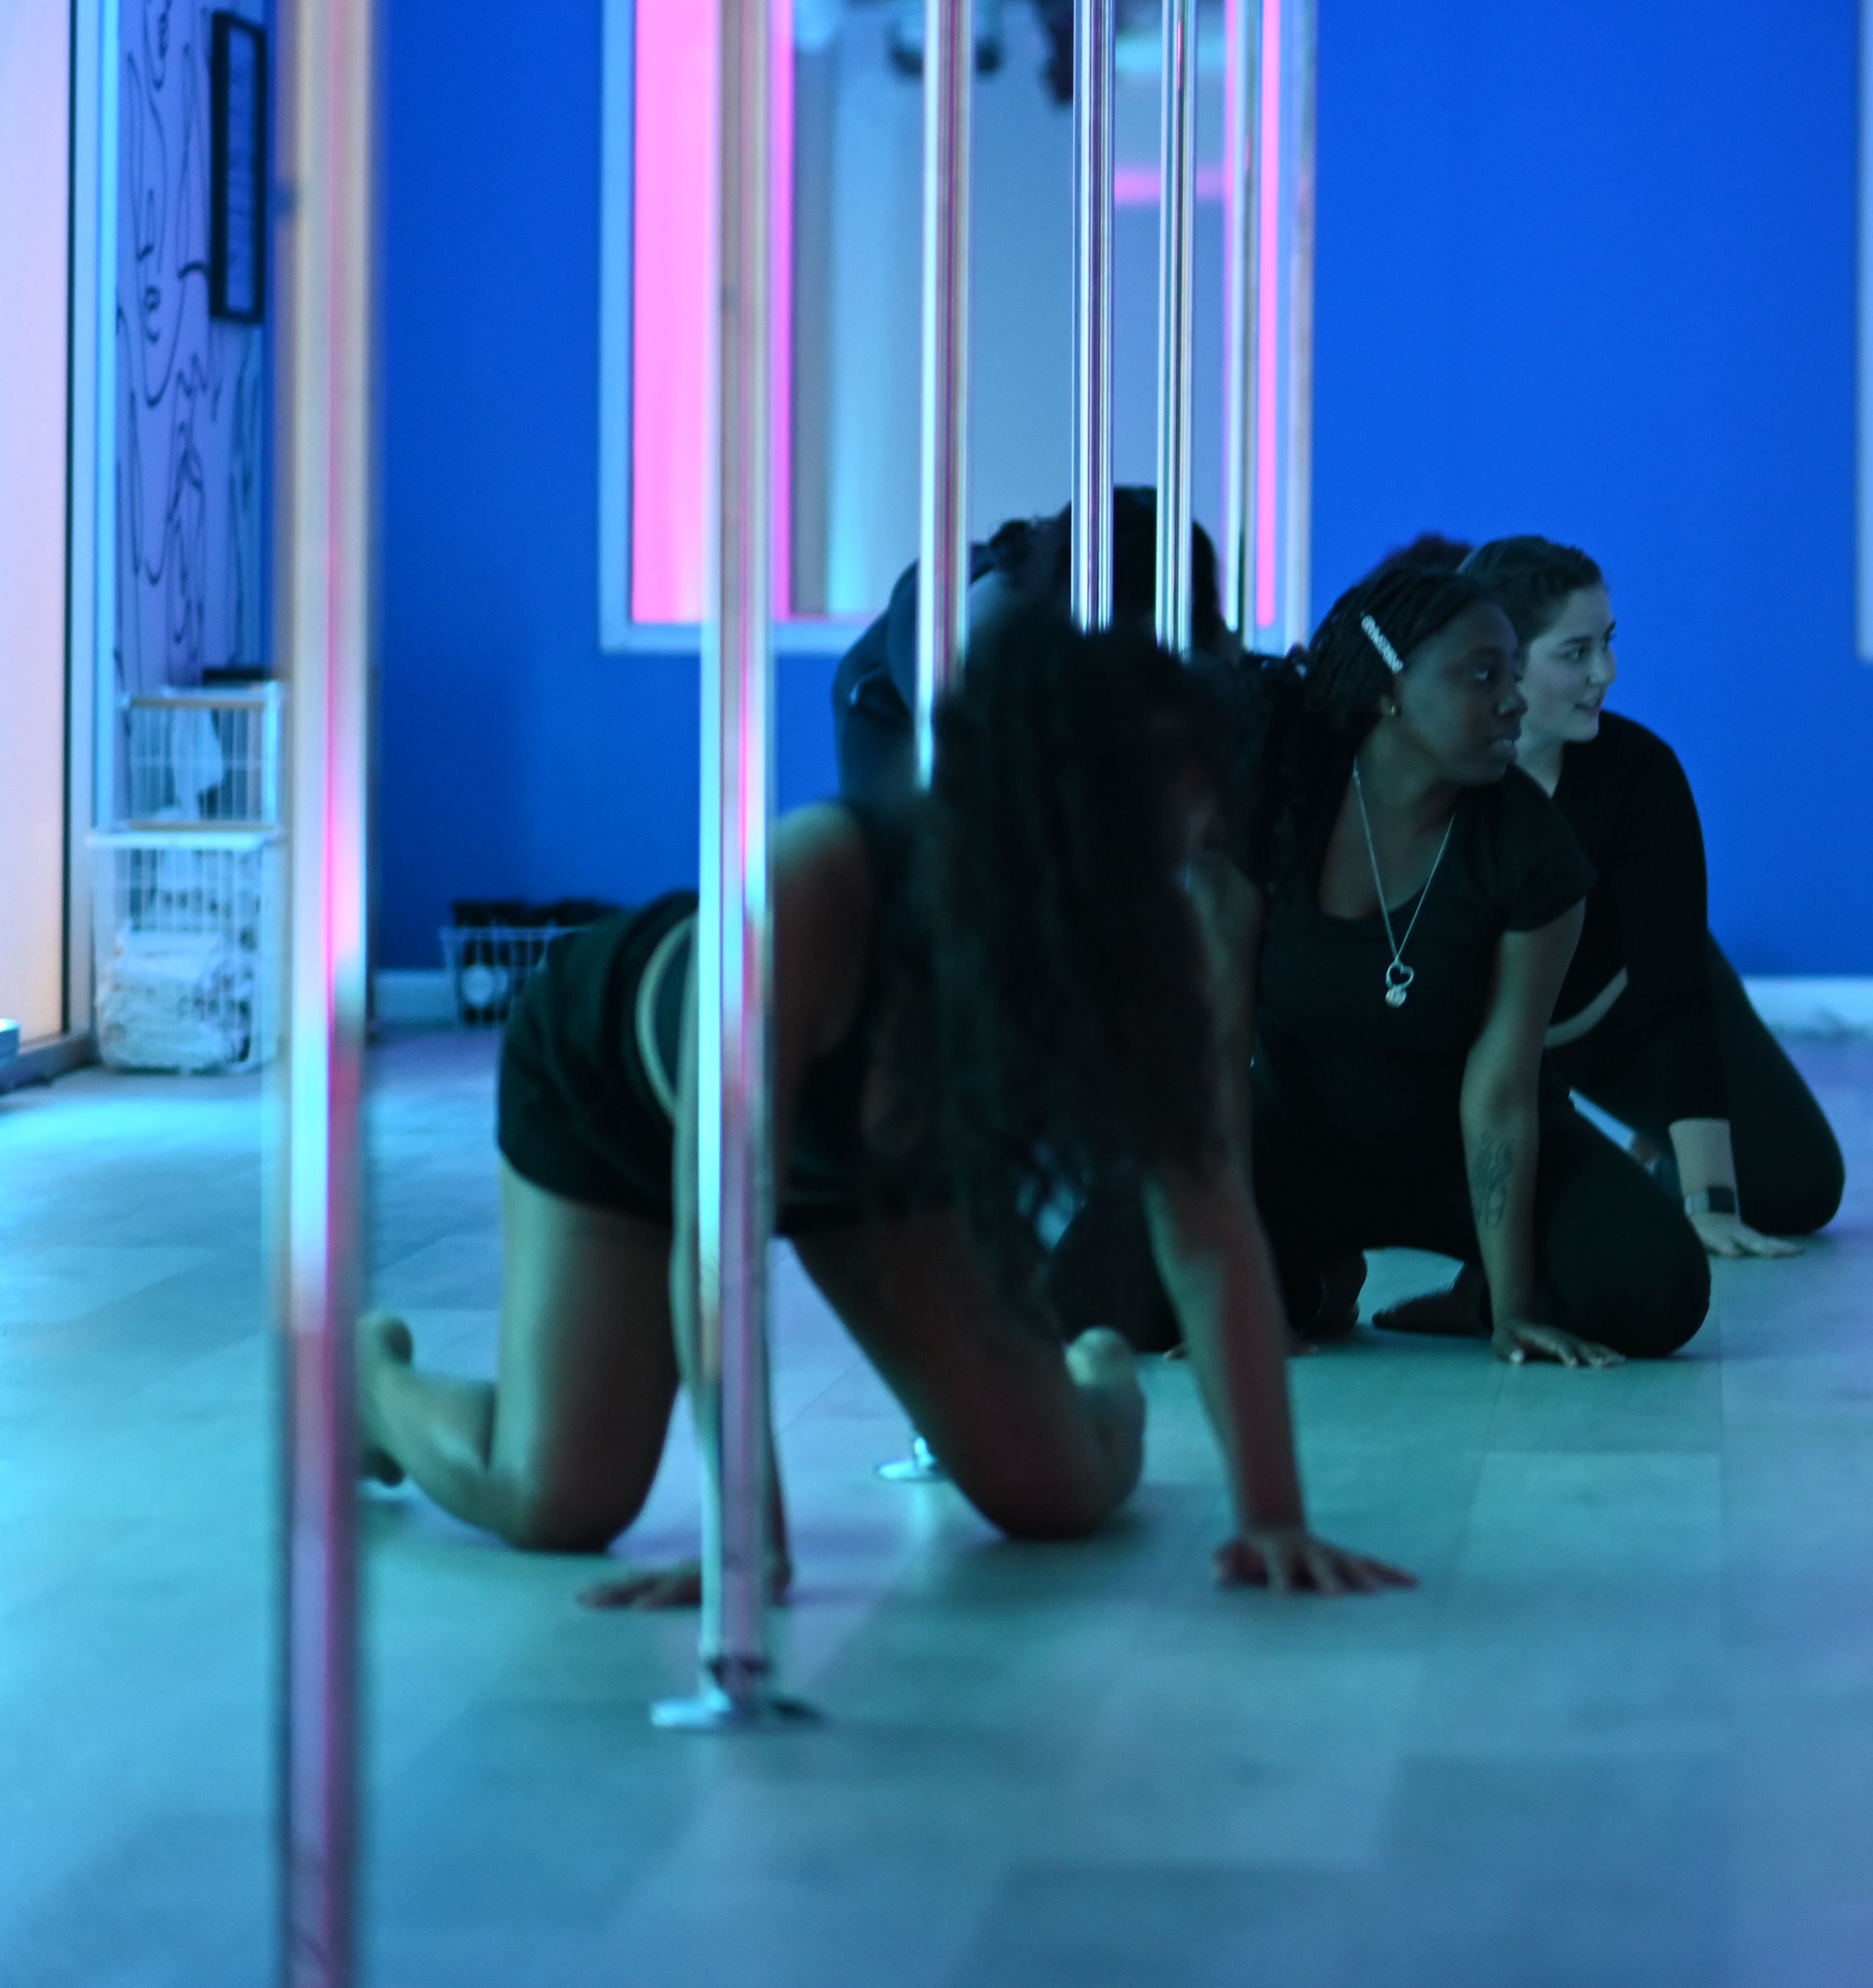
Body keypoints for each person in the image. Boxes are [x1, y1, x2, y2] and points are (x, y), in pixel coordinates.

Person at [358, 613, 1407, 1596]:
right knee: (559, 1503)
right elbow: (720, 1239)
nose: (1203, 821)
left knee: (1061, 1500)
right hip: (620, 1113)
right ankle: (372, 1385)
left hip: (879, 1164)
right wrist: (747, 1540)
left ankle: (1087, 1370)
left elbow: (1211, 1233)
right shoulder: (812, 883)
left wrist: (1273, 1516)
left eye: (1199, 792)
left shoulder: (1158, 941)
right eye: (1170, 791)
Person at [1055, 554, 1712, 1362]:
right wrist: (1230, 1286)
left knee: (1660, 1292)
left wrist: (1510, 1313)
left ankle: (1474, 1294)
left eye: (1513, 670)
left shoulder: (1533, 850)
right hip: (1296, 1146)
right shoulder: (1272, 804)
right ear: (1390, 688)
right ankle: (1308, 1284)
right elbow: (1217, 1056)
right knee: (1091, 1289)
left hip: (1462, 1162)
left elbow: (1502, 1091)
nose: (1514, 698)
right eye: (1482, 674)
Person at [1461, 534, 1843, 1255]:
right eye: (1575, 653)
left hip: (1631, 1013)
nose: (1606, 671)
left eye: (1606, 643)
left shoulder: (1640, 772)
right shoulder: (1439, 779)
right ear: (1498, 663)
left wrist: (1708, 1204)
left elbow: (1676, 998)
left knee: (1800, 1190)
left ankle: (1661, 1155)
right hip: (1505, 1049)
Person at [830, 489, 1229, 809]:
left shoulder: (1179, 613)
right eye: (1141, 625)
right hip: (887, 708)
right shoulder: (985, 632)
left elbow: (1223, 674)